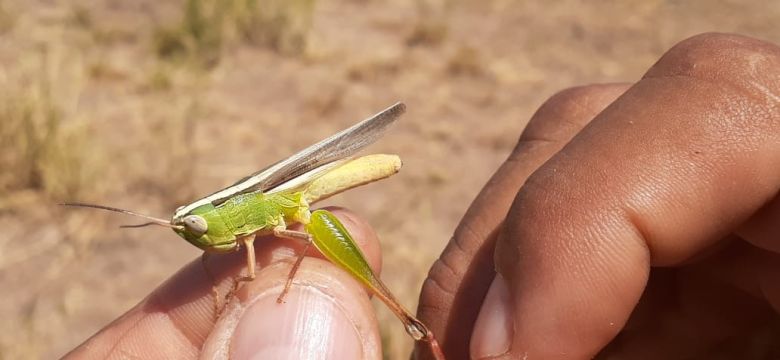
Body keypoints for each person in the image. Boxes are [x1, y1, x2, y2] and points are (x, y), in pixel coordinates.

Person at [63, 33, 780, 359]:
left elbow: (252, 236)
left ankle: (402, 319)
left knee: (331, 265)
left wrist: (255, 267)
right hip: (291, 210)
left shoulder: (237, 216)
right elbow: (237, 241)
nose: (196, 235)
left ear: (214, 216)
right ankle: (407, 321)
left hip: (298, 199)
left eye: (193, 227)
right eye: (189, 231)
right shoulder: (223, 227)